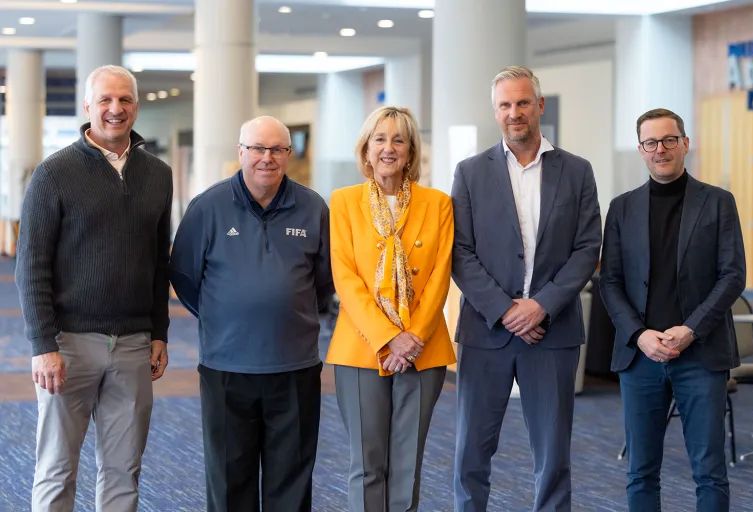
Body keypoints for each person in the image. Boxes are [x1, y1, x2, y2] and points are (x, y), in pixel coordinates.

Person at [15, 65, 172, 511]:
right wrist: (42, 344)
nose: (115, 109)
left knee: (124, 470)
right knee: (57, 467)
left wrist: (159, 331)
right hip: (68, 345)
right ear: (87, 107)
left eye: (124, 100)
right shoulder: (54, 173)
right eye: (105, 100)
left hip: (134, 345)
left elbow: (159, 260)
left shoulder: (158, 174)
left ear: (136, 107)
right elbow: (31, 266)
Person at [452, 65, 602, 511]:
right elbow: (460, 252)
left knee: (553, 457)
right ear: (495, 111)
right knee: (470, 456)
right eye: (505, 105)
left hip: (552, 333)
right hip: (486, 333)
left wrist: (540, 307)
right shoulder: (470, 172)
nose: (514, 113)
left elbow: (587, 247)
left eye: (522, 103)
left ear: (539, 106)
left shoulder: (576, 171)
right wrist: (505, 310)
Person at [169, 116, 333, 511]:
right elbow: (185, 277)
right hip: (227, 368)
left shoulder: (313, 207)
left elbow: (325, 281)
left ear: (289, 155)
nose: (267, 158)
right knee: (229, 481)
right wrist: (226, 316)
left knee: (291, 482)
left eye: (277, 149)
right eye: (258, 148)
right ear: (240, 152)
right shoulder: (207, 207)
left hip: (294, 368)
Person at [600, 108, 746, 511]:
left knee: (709, 471)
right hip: (640, 356)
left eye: (668, 140)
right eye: (651, 142)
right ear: (641, 150)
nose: (660, 149)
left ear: (685, 143)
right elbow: (609, 282)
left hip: (700, 353)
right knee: (641, 471)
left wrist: (690, 330)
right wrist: (640, 334)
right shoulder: (622, 208)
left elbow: (732, 275)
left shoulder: (717, 202)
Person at [326, 105, 456, 511]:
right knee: (366, 463)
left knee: (407, 464)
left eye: (399, 139)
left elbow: (440, 275)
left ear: (411, 151)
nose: (389, 148)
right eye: (379, 139)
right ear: (366, 150)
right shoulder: (344, 202)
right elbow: (345, 278)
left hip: (423, 348)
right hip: (361, 350)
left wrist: (412, 337)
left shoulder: (438, 203)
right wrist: (388, 338)